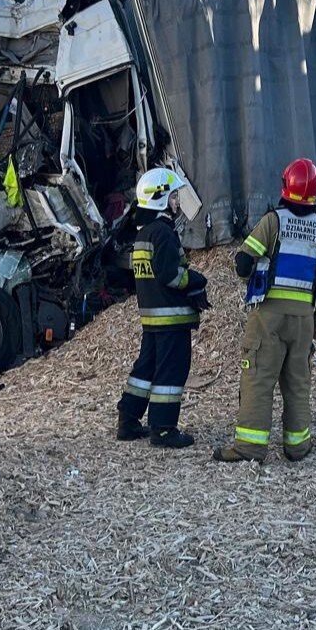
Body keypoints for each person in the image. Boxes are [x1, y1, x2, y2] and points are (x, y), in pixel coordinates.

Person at [214, 158, 316, 463]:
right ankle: (297, 446)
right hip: (302, 321)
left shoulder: (273, 222)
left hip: (268, 318)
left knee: (258, 379)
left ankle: (250, 447)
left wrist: (255, 270)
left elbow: (243, 264)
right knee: (297, 383)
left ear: (286, 186)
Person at [116, 167, 208, 449]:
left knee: (145, 370)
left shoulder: (143, 234)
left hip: (152, 319)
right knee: (171, 373)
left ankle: (128, 420)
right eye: (174, 196)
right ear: (160, 199)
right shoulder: (164, 234)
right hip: (172, 319)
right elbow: (171, 275)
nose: (178, 202)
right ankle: (164, 429)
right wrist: (196, 279)